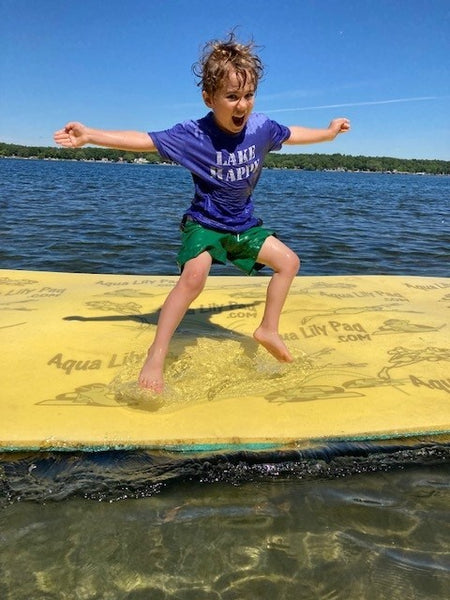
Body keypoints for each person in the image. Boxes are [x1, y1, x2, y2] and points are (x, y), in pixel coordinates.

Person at [54, 33, 350, 393]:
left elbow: (294, 134)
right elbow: (143, 139)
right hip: (205, 223)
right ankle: (156, 354)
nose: (241, 105)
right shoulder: (192, 135)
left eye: (248, 96)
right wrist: (91, 136)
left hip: (242, 224)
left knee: (289, 262)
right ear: (209, 98)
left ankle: (268, 329)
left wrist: (329, 134)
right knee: (194, 277)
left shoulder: (262, 129)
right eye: (231, 97)